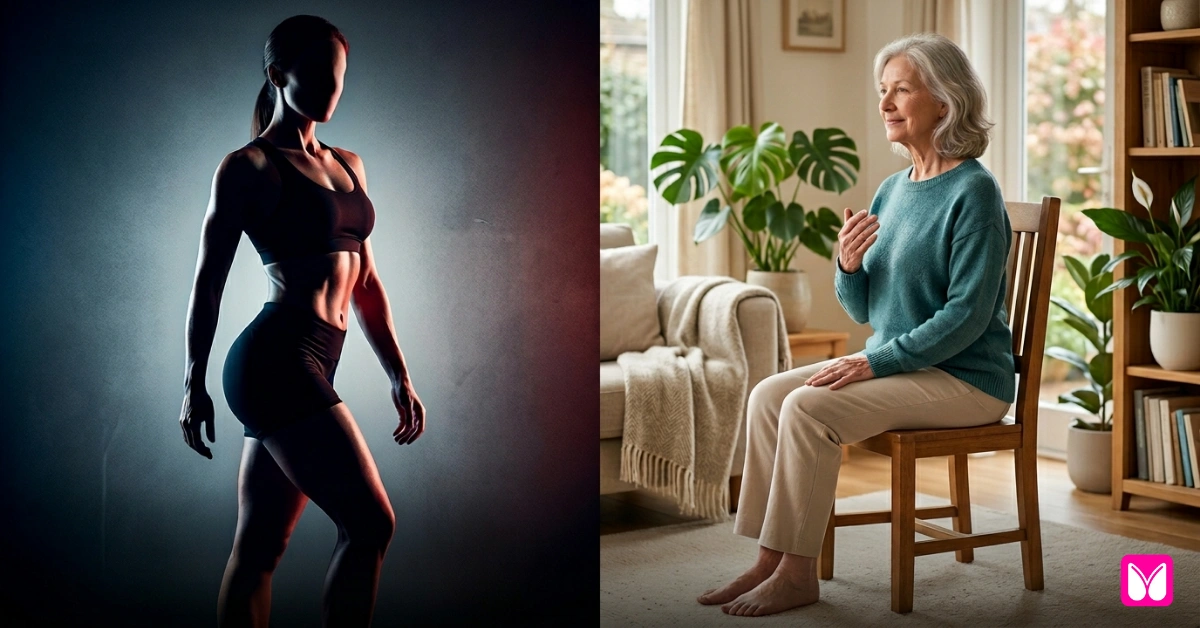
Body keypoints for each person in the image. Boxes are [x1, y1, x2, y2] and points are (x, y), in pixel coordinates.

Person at [698, 32, 1017, 617]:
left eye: (902, 89)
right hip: (906, 364)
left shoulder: (974, 191)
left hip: (967, 379)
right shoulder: (893, 190)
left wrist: (872, 361)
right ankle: (769, 559)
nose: (886, 103)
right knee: (771, 395)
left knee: (808, 408)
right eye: (883, 91)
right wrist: (847, 265)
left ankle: (799, 574)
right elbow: (868, 309)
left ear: (945, 102)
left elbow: (967, 316)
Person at [177, 15, 426, 628]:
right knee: (370, 523)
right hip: (276, 360)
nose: (329, 89)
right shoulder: (249, 166)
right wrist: (192, 382)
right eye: (314, 75)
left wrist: (398, 373)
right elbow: (208, 282)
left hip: (319, 355)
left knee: (260, 549)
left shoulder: (349, 164)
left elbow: (366, 283)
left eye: (337, 78)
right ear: (276, 76)